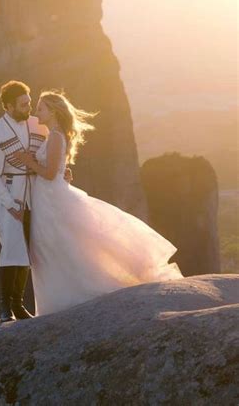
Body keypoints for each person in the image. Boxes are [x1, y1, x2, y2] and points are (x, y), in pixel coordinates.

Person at [12, 90, 184, 316]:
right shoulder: (53, 134)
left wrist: (28, 161)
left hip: (52, 200)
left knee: (52, 248)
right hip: (47, 199)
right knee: (54, 249)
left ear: (53, 111)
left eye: (41, 109)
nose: (36, 113)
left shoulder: (54, 136)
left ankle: (67, 300)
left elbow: (50, 173)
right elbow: (55, 170)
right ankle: (57, 302)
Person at [0, 81, 48, 322]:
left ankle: (19, 304)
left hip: (35, 193)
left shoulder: (34, 124)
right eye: (23, 104)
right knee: (11, 249)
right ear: (8, 106)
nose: (28, 107)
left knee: (28, 249)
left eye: (29, 102)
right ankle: (5, 307)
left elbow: (49, 153)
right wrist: (9, 203)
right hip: (10, 192)